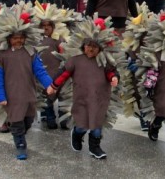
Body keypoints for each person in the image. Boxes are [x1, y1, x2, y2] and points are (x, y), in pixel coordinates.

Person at [47, 18, 120, 160]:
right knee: (82, 124)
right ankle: (77, 134)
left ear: (101, 48)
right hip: (81, 98)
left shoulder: (103, 61)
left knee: (97, 125)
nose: (91, 49)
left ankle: (95, 147)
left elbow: (110, 71)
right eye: (88, 45)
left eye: (95, 46)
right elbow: (65, 74)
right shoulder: (76, 60)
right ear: (82, 45)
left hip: (100, 99)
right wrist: (53, 86)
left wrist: (114, 78)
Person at [0, 31, 53, 160]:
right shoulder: (1, 55)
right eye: (15, 38)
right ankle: (20, 145)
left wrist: (50, 85)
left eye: (21, 38)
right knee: (17, 121)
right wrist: (0, 96)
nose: (18, 41)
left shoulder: (30, 53)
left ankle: (18, 133)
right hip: (11, 96)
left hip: (28, 93)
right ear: (8, 39)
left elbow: (40, 71)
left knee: (28, 120)